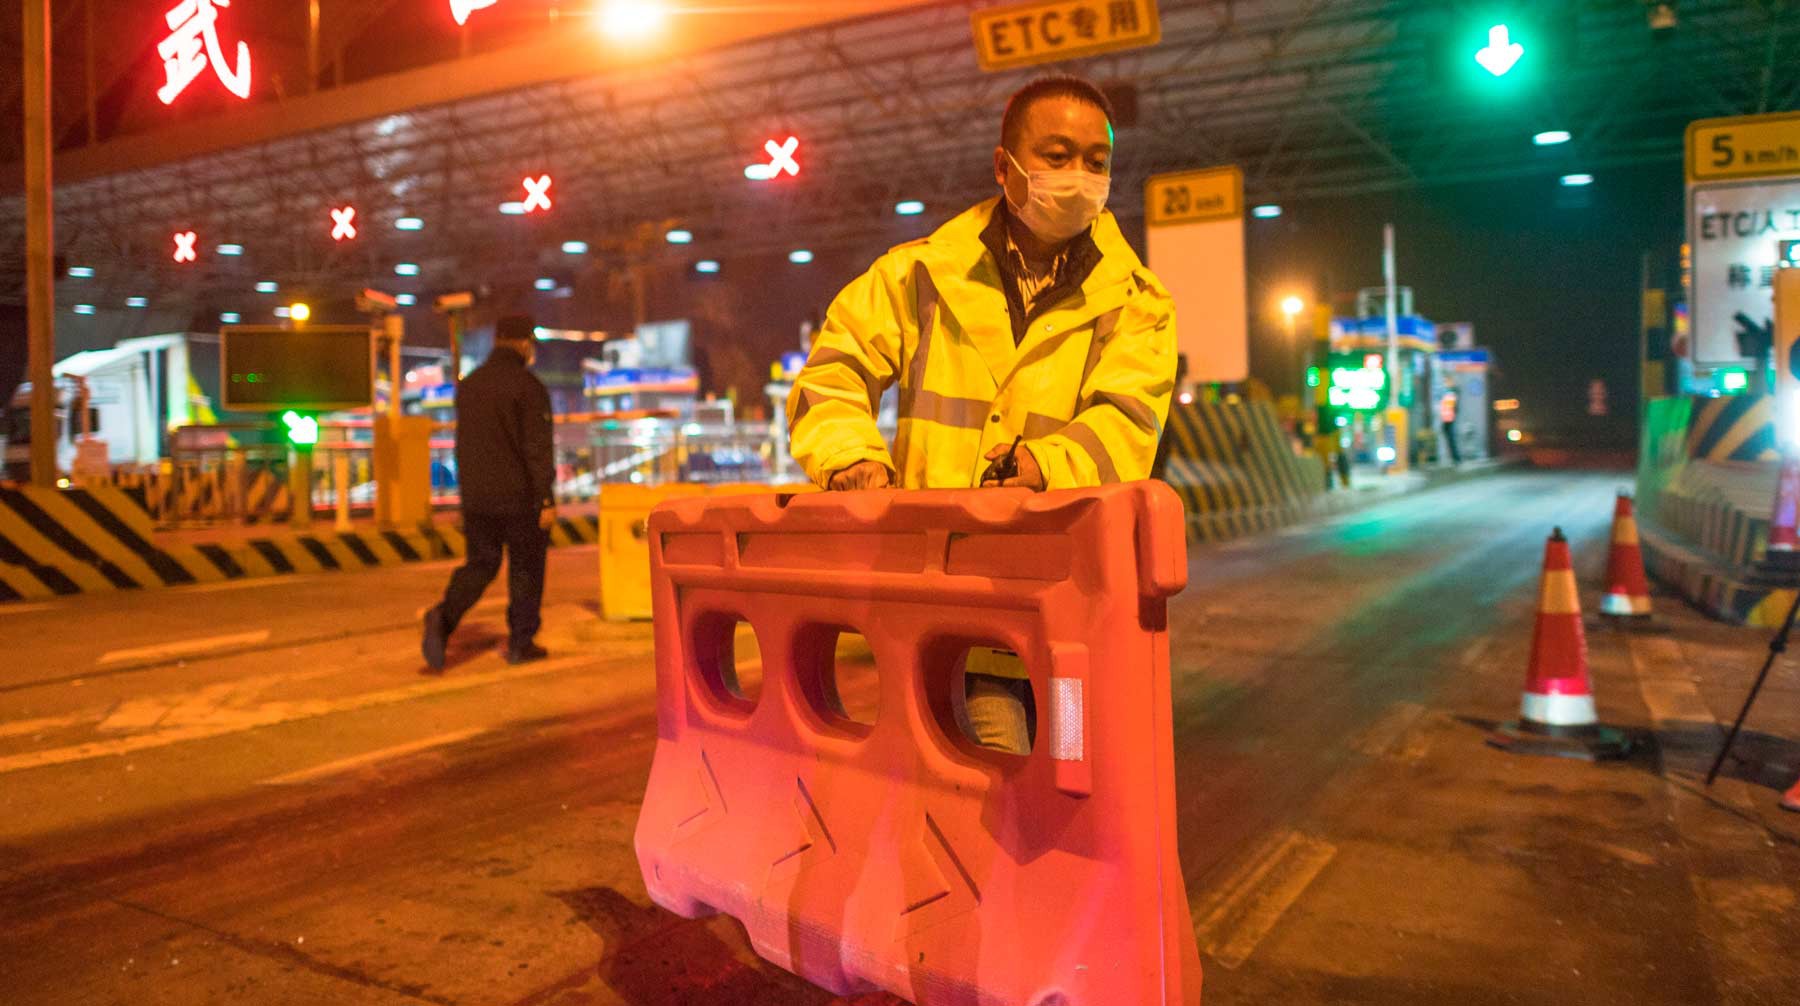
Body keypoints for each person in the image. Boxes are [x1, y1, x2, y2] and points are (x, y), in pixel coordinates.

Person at [786, 75, 1177, 754]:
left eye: (1096, 161)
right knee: (958, 774)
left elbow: (1127, 423)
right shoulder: (917, 276)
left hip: (1064, 608)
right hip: (939, 604)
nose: (1079, 176)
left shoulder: (1138, 303)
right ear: (1006, 167)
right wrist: (850, 457)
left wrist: (1044, 465)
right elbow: (833, 369)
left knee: (1067, 766)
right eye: (1057, 156)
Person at [422, 314, 556, 671]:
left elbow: (463, 445)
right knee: (526, 566)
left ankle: (443, 618)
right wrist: (546, 498)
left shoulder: (471, 385)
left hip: (478, 497)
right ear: (524, 343)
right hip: (520, 497)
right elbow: (537, 448)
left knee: (481, 564)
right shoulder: (528, 387)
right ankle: (520, 642)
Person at [1439, 388, 1461, 465]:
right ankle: (1455, 458)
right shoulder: (1450, 396)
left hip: (1448, 421)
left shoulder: (1449, 396)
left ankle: (1456, 458)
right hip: (1448, 420)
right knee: (1450, 440)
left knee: (1451, 440)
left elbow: (1448, 410)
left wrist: (1445, 421)